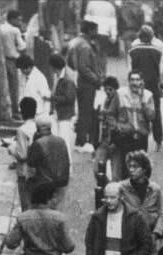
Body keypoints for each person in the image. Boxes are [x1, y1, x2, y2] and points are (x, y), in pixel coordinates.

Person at [120, 151, 163, 255]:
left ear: (144, 169)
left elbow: (159, 214)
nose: (131, 169)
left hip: (149, 241)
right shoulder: (123, 188)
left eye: (135, 167)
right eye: (129, 166)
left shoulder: (155, 189)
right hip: (131, 242)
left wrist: (157, 233)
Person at [106, 70, 155, 180]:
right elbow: (110, 114)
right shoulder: (120, 94)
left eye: (137, 80)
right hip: (125, 137)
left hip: (141, 137)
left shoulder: (148, 95)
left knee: (141, 167)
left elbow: (151, 117)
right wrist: (116, 127)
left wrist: (143, 101)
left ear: (142, 82)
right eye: (132, 80)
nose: (134, 82)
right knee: (126, 168)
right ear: (128, 81)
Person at [68, 20, 103, 153]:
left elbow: (72, 63)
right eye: (95, 30)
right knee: (86, 113)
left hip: (79, 82)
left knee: (83, 112)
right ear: (90, 31)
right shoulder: (85, 46)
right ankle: (81, 141)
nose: (97, 33)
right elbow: (84, 68)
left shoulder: (75, 42)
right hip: (87, 83)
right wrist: (97, 80)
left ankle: (81, 139)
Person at [129, 25, 163, 151]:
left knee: (138, 110)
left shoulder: (133, 50)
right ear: (151, 37)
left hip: (138, 84)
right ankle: (158, 140)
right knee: (156, 112)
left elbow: (130, 69)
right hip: (153, 84)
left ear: (140, 36)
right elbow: (160, 71)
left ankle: (139, 138)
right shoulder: (157, 51)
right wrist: (161, 85)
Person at [27, 115, 70, 209]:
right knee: (56, 213)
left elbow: (31, 162)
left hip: (45, 185)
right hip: (61, 182)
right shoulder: (61, 141)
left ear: (38, 128)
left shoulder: (38, 143)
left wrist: (31, 143)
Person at [7, 97, 37, 212]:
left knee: (26, 206)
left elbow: (22, 155)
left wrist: (11, 149)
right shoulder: (39, 127)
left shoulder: (22, 130)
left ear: (22, 111)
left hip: (25, 172)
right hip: (37, 172)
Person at [48, 53, 77, 167]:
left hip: (64, 114)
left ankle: (67, 166)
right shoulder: (60, 76)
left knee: (64, 141)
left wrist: (52, 98)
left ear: (55, 67)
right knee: (58, 140)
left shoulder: (67, 79)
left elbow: (69, 98)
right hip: (59, 113)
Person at [0, 9, 27, 120]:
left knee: (3, 87)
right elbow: (22, 46)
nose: (20, 22)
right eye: (18, 20)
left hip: (1, 60)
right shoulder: (15, 30)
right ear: (12, 19)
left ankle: (3, 111)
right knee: (13, 88)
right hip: (12, 60)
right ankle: (15, 112)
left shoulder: (0, 28)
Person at [93, 76, 120, 181]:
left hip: (115, 142)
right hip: (104, 141)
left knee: (116, 175)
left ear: (115, 88)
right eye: (106, 90)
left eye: (110, 89)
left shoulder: (119, 100)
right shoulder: (106, 100)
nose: (108, 92)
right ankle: (106, 188)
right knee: (97, 170)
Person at [83, 0, 117, 77]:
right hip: (105, 34)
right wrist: (113, 35)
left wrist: (84, 33)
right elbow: (113, 22)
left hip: (93, 33)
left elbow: (87, 19)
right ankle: (103, 73)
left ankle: (95, 72)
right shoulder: (110, 7)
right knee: (103, 55)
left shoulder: (91, 4)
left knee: (93, 54)